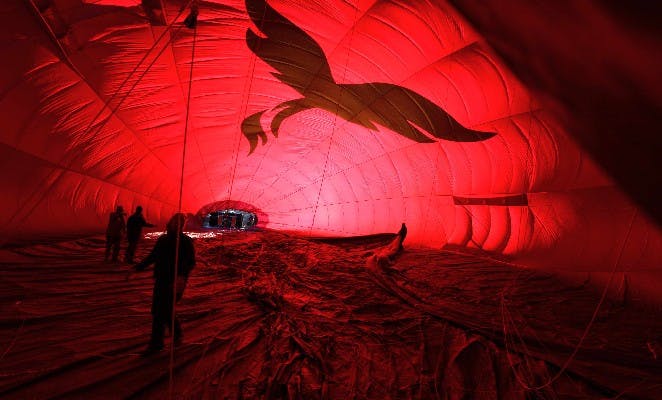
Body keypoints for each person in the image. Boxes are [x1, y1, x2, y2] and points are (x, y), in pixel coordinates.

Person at [131, 213, 196, 354]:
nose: (175, 224)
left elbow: (191, 262)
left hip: (175, 282)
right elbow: (153, 256)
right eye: (174, 221)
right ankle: (176, 334)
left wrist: (181, 277)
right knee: (161, 311)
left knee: (162, 311)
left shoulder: (185, 242)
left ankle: (157, 344)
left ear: (182, 225)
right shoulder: (163, 239)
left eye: (179, 222)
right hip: (161, 279)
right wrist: (139, 267)